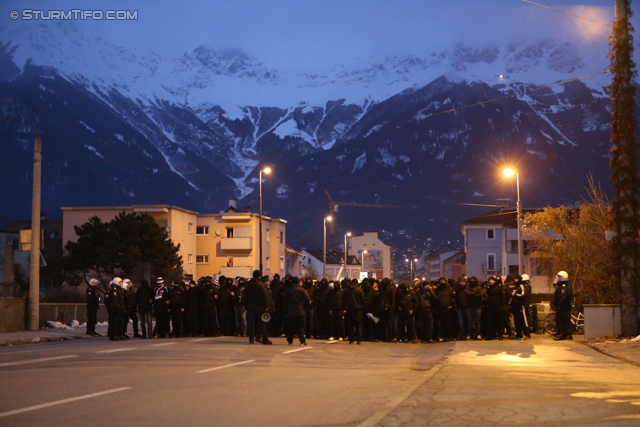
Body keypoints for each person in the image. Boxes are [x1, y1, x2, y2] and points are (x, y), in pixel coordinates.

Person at [243, 270, 272, 344]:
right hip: (259, 306)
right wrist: (266, 306)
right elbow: (264, 296)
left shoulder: (248, 284)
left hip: (250, 305)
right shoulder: (260, 284)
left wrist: (246, 305)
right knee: (263, 322)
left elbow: (245, 295)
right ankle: (264, 339)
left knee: (250, 323)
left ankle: (251, 339)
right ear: (259, 276)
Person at [283, 276, 311, 346]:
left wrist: (286, 311)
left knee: (291, 327)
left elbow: (285, 302)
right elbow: (308, 300)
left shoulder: (288, 290)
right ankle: (302, 341)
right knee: (300, 327)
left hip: (290, 311)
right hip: (300, 311)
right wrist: (304, 307)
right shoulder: (302, 290)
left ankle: (290, 341)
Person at [552, 271, 573, 340]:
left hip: (563, 308)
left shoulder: (563, 287)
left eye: (558, 277)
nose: (556, 278)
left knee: (561, 320)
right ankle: (566, 334)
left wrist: (559, 306)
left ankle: (562, 334)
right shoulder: (563, 286)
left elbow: (563, 297)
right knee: (564, 320)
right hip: (563, 307)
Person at [343, 278, 366, 344]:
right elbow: (363, 300)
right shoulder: (359, 290)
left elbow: (344, 299)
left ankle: (351, 339)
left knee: (350, 325)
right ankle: (359, 340)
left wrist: (345, 308)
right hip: (358, 310)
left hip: (349, 310)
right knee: (359, 325)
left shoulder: (347, 290)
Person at [510, 275, 531, 340]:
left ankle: (526, 334)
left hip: (521, 306)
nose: (515, 280)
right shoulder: (518, 286)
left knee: (523, 320)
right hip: (516, 306)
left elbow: (523, 295)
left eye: (517, 279)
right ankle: (519, 334)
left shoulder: (522, 286)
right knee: (517, 321)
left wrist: (515, 294)